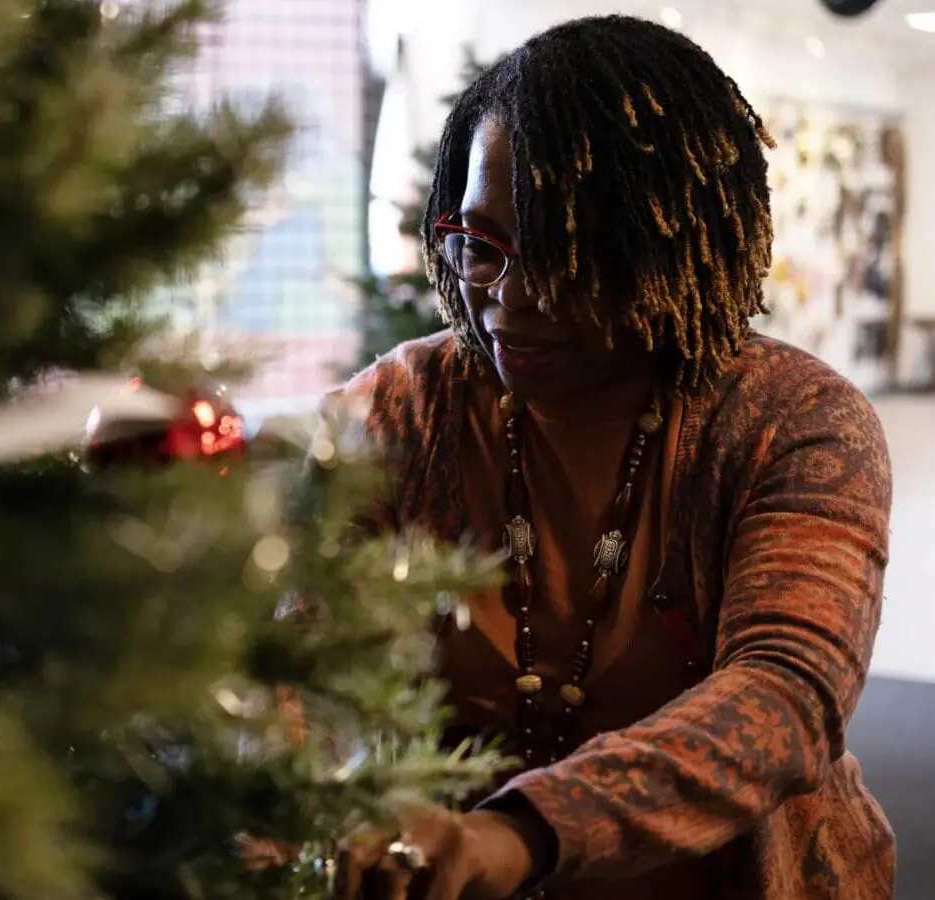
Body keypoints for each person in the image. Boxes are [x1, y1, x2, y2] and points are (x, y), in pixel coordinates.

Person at [324, 14, 894, 900]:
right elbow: (284, 634)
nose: (509, 298)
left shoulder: (795, 421)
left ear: (662, 243)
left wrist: (517, 834)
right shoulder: (407, 409)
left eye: (564, 254)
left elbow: (786, 695)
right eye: (482, 245)